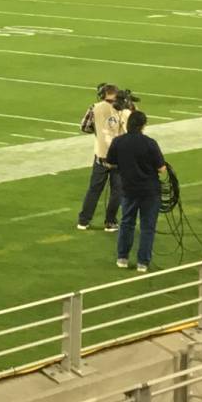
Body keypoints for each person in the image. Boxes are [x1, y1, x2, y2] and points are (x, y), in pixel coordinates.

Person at [106, 108, 168, 274]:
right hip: (149, 191)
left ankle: (122, 258)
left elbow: (110, 163)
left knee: (127, 223)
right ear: (143, 125)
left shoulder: (118, 142)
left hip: (129, 189)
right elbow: (162, 169)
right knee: (147, 227)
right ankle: (143, 262)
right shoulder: (150, 143)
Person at [75, 84, 127, 232]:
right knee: (117, 190)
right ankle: (110, 222)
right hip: (120, 157)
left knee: (94, 189)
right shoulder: (125, 109)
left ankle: (83, 221)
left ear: (102, 94)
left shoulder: (94, 107)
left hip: (101, 155)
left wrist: (100, 130)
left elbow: (84, 127)